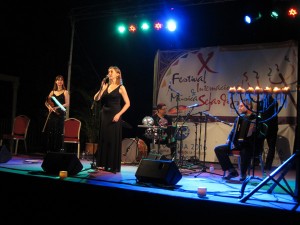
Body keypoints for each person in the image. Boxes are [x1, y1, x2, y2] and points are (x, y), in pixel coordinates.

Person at [214, 100, 264, 181]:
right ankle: (232, 171)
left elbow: (262, 133)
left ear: (249, 106)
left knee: (245, 150)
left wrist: (255, 131)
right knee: (218, 149)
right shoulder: (239, 118)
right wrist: (229, 138)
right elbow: (233, 131)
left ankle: (243, 174)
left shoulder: (256, 118)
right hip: (238, 144)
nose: (239, 108)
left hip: (250, 144)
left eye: (241, 106)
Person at [93, 66, 130, 173]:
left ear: (118, 74)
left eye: (111, 71)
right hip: (104, 114)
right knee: (104, 138)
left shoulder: (121, 87)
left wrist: (119, 114)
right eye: (108, 71)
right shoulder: (106, 86)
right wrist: (101, 88)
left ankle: (112, 165)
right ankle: (102, 163)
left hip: (115, 114)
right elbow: (96, 99)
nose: (109, 73)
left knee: (112, 139)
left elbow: (128, 103)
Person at [44, 75, 69, 152]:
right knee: (51, 132)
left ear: (63, 82)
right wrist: (49, 108)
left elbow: (67, 104)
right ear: (56, 82)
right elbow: (46, 102)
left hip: (60, 114)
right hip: (52, 114)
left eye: (61, 80)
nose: (59, 81)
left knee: (58, 132)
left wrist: (57, 107)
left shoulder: (65, 92)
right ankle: (50, 151)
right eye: (58, 80)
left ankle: (57, 151)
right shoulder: (52, 92)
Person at [260, 94, 279, 171]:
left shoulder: (261, 102)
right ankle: (268, 165)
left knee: (259, 144)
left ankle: (256, 162)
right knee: (271, 147)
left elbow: (260, 114)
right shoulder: (275, 102)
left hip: (264, 127)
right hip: (272, 127)